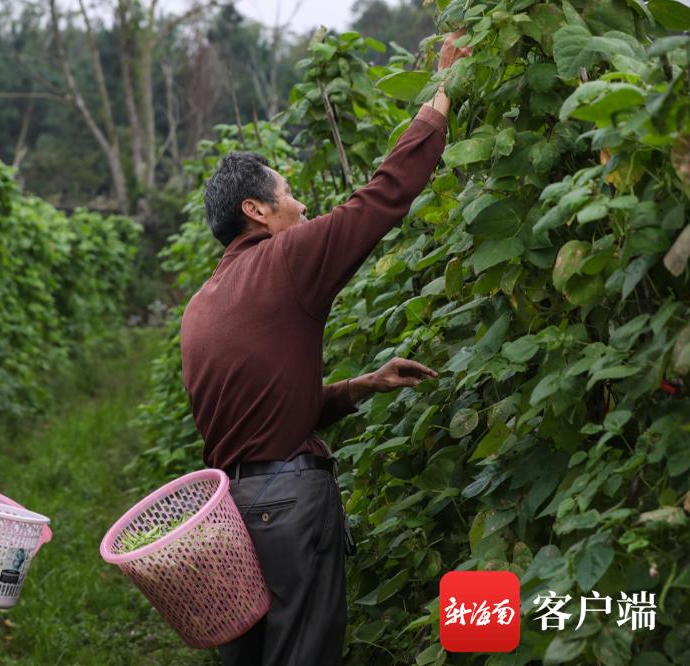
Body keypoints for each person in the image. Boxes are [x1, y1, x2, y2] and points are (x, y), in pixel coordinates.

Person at [179, 32, 471, 666]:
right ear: (256, 210)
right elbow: (383, 198)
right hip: (289, 507)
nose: (303, 204)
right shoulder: (286, 259)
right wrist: (444, 93)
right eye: (289, 195)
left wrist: (361, 386)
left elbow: (262, 413)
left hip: (231, 514)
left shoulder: (202, 303)